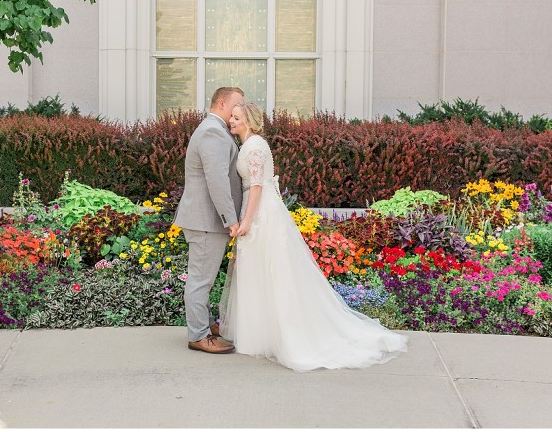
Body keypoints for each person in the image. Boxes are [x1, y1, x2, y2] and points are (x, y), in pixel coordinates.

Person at [220, 101, 408, 372]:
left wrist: (247, 221)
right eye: (232, 117)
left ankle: (281, 335)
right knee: (256, 271)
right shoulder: (249, 145)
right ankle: (257, 336)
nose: (232, 121)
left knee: (271, 271)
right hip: (257, 208)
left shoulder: (255, 146)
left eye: (236, 118)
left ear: (248, 121)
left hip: (261, 213)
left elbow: (258, 186)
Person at [174, 86, 245, 354]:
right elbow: (217, 181)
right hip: (208, 221)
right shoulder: (213, 131)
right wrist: (230, 219)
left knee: (204, 278)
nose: (240, 110)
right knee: (200, 280)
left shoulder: (215, 130)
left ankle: (205, 325)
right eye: (237, 105)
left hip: (207, 220)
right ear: (223, 103)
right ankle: (198, 335)